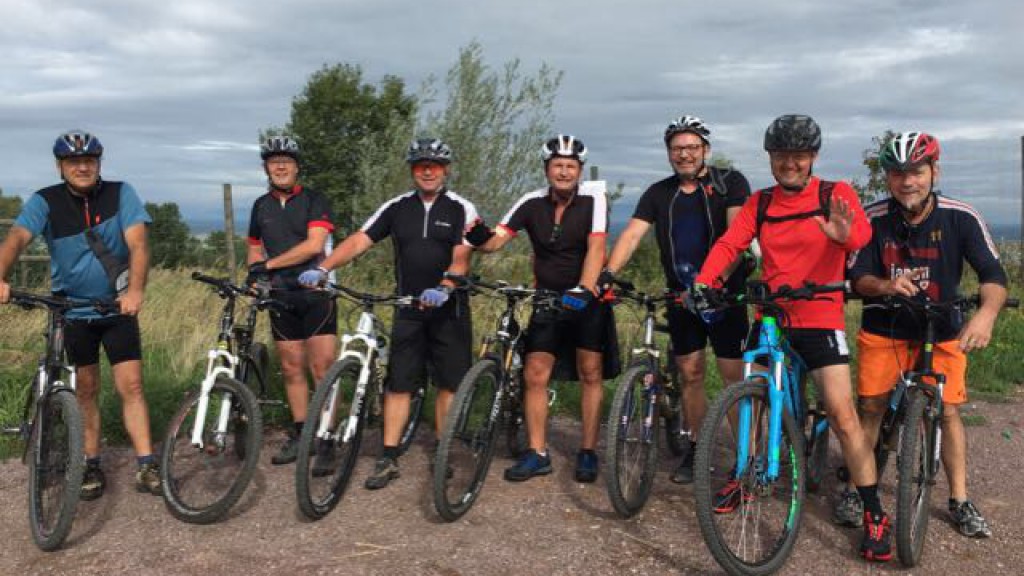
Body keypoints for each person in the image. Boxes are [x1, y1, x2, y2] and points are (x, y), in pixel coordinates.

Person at [693, 115, 892, 562]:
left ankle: (874, 511)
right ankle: (746, 473)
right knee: (750, 399)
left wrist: (845, 237)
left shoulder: (833, 193)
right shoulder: (761, 202)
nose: (789, 163)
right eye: (781, 155)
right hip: (771, 315)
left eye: (798, 155)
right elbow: (730, 244)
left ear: (813, 156)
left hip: (819, 315)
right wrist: (705, 282)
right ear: (770, 157)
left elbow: (860, 234)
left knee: (842, 414)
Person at [843, 131, 1008, 538]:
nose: (907, 182)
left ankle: (959, 499)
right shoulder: (872, 217)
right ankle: (856, 490)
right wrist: (884, 285)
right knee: (871, 408)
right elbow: (858, 276)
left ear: (935, 171)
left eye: (916, 171)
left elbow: (993, 275)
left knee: (948, 411)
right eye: (897, 174)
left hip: (943, 328)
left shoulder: (961, 216)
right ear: (888, 178)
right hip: (885, 326)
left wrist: (986, 315)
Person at [298, 138, 478, 490]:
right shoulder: (397, 207)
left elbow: (462, 256)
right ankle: (389, 457)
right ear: (412, 170)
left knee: (448, 383)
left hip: (449, 308)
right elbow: (359, 241)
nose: (428, 171)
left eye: (434, 165)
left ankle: (442, 452)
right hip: (407, 307)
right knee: (399, 383)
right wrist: (323, 267)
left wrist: (445, 287)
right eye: (421, 165)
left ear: (445, 170)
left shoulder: (461, 208)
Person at [0, 130, 161, 498]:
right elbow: (16, 239)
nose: (83, 167)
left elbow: (138, 244)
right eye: (74, 162)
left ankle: (146, 463)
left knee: (132, 385)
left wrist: (135, 291)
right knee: (86, 388)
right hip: (70, 309)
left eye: (89, 160)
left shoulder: (121, 193)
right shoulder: (45, 200)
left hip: (116, 306)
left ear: (99, 164)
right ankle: (90, 463)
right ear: (60, 166)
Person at [601, 115, 751, 484]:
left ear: (705, 150)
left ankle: (746, 457)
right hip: (681, 296)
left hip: (723, 296)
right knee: (690, 373)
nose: (684, 154)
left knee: (733, 377)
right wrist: (608, 273)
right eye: (677, 148)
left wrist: (716, 281)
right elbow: (632, 235)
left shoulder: (730, 182)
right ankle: (697, 447)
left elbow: (737, 236)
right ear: (669, 153)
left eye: (692, 147)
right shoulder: (658, 193)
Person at [471, 134, 611, 484]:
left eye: (570, 166)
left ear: (579, 170)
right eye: (557, 165)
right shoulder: (531, 202)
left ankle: (588, 450)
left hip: (586, 296)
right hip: (547, 297)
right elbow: (497, 240)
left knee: (590, 372)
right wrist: (479, 239)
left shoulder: (594, 199)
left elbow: (596, 247)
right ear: (547, 169)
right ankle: (537, 453)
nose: (564, 172)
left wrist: (584, 288)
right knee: (534, 373)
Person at [246, 136, 338, 465]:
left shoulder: (314, 200)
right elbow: (254, 247)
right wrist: (255, 275)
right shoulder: (261, 206)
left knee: (322, 368)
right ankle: (301, 434)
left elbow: (314, 245)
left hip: (316, 292)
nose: (281, 166)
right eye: (274, 161)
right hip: (280, 294)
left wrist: (267, 266)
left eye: (286, 161)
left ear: (297, 167)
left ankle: (327, 438)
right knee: (290, 367)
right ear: (266, 168)